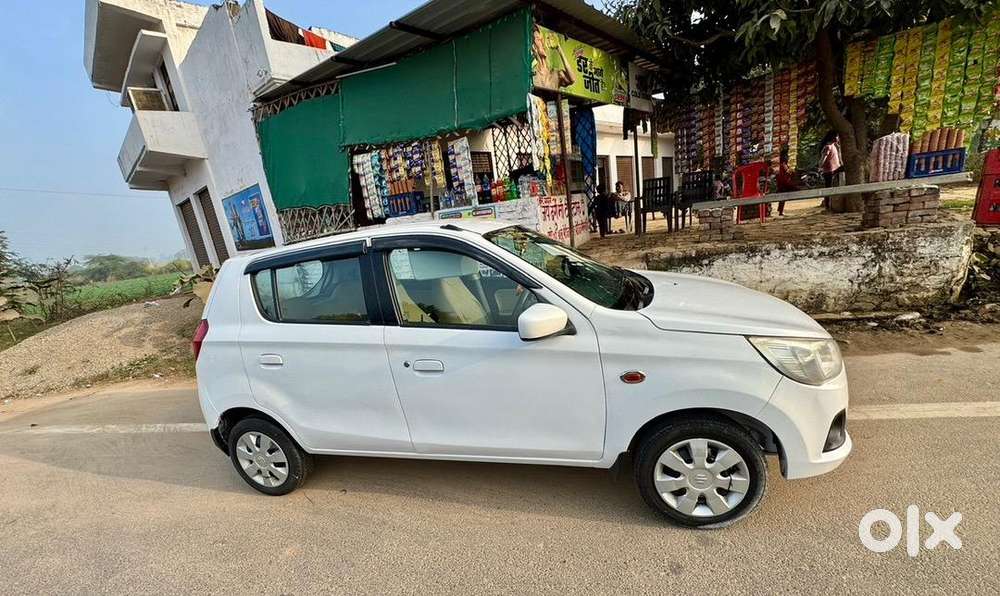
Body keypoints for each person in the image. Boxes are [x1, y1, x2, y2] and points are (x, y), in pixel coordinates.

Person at [774, 146, 798, 216]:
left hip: (782, 183)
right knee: (784, 196)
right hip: (784, 183)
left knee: (782, 198)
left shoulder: (781, 164)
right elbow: (787, 174)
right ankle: (780, 211)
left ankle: (780, 210)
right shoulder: (783, 164)